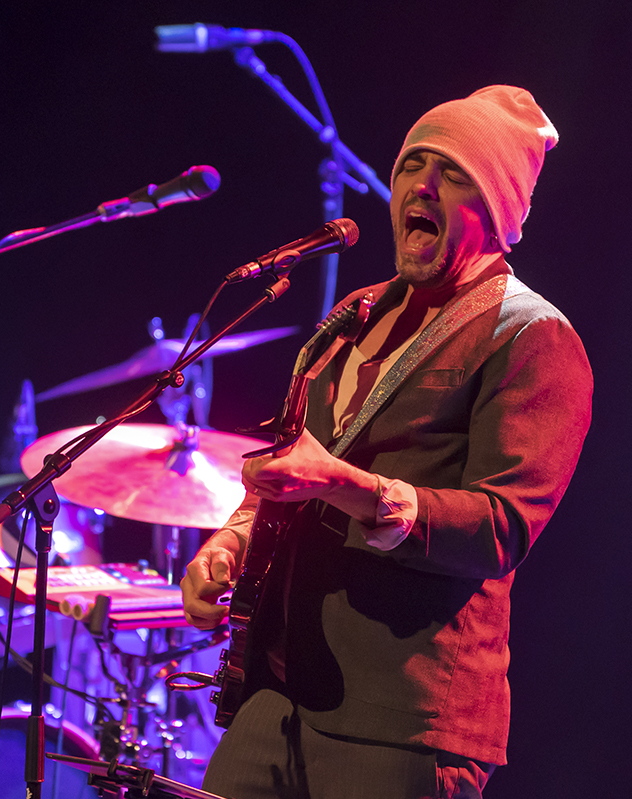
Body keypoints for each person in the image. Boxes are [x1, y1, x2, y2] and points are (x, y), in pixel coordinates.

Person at [181, 86, 592, 798]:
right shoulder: (354, 314)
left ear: (494, 209)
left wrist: (348, 486)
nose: (421, 185)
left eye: (454, 172)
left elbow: (502, 527)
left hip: (402, 722)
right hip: (275, 694)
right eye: (413, 164)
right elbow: (284, 470)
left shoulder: (532, 337)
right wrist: (232, 539)